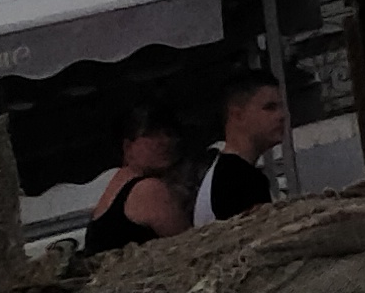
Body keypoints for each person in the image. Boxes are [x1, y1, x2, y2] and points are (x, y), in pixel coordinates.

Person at [78, 104, 190, 250]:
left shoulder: (112, 192)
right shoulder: (148, 189)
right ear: (128, 147)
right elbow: (192, 246)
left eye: (169, 133)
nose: (165, 141)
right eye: (151, 134)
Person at [192, 74, 284, 226]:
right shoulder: (239, 179)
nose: (281, 116)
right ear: (238, 115)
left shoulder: (223, 171)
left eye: (281, 107)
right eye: (269, 108)